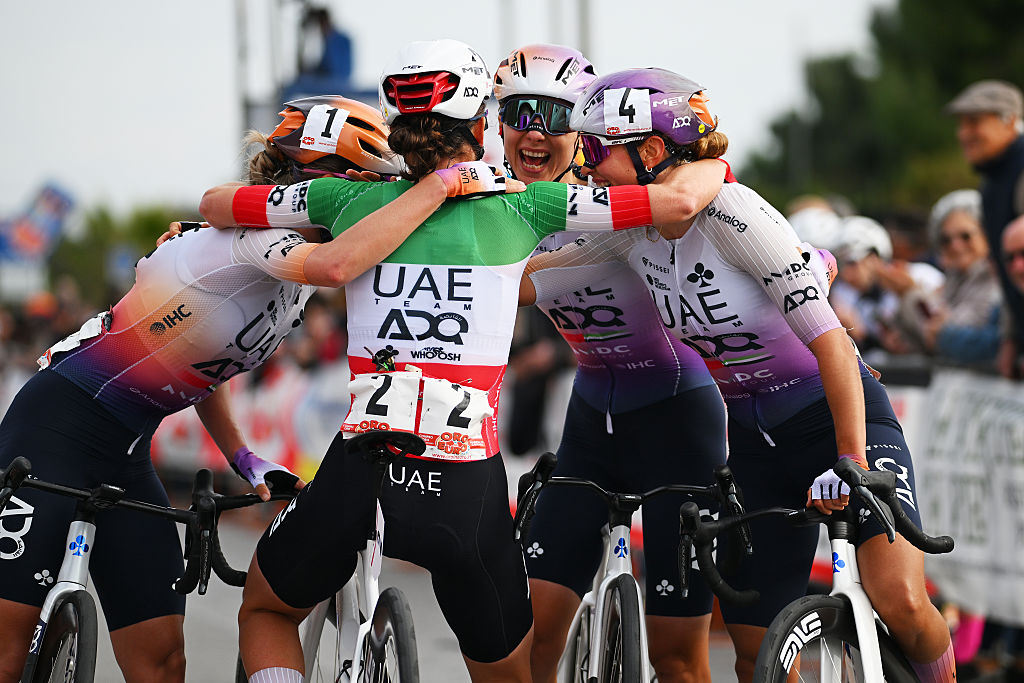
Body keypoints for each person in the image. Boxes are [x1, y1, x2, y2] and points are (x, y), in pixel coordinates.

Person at [198, 40, 725, 683]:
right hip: (464, 487)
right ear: (482, 126)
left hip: (361, 469)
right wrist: (714, 156)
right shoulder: (528, 205)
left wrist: (422, 190)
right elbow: (677, 202)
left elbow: (215, 204)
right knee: (513, 669)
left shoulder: (344, 201)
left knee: (266, 612)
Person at [524, 67, 955, 683]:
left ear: (650, 151)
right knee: (756, 654)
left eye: (596, 150)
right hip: (753, 445)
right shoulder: (631, 231)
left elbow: (833, 344)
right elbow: (536, 278)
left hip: (833, 419)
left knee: (903, 603)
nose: (586, 167)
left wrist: (850, 457)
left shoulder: (737, 216)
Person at [0, 95, 417, 683]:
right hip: (53, 427)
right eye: (362, 184)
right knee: (6, 649)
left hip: (123, 452)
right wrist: (439, 189)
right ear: (312, 177)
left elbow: (203, 369)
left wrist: (244, 458)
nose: (369, 201)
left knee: (163, 660)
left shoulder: (289, 279)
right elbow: (337, 266)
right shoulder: (256, 239)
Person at [493, 45, 728, 683]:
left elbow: (708, 178)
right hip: (591, 420)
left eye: (554, 116)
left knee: (679, 660)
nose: (535, 131)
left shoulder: (626, 196)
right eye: (518, 113)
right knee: (532, 646)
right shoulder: (496, 206)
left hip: (680, 418)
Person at [946, 79, 1024, 377]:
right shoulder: (993, 183)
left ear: (1010, 121)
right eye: (961, 124)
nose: (963, 133)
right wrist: (1011, 337)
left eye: (974, 122)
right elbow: (1006, 272)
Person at [828, 215, 945, 356]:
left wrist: (909, 294)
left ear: (874, 257)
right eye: (840, 265)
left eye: (852, 263)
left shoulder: (922, 275)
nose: (846, 274)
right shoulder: (847, 296)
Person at [915, 189, 1002, 365]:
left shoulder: (997, 277)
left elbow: (968, 328)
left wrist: (910, 293)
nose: (955, 245)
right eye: (946, 240)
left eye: (965, 236)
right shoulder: (954, 278)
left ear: (986, 234)